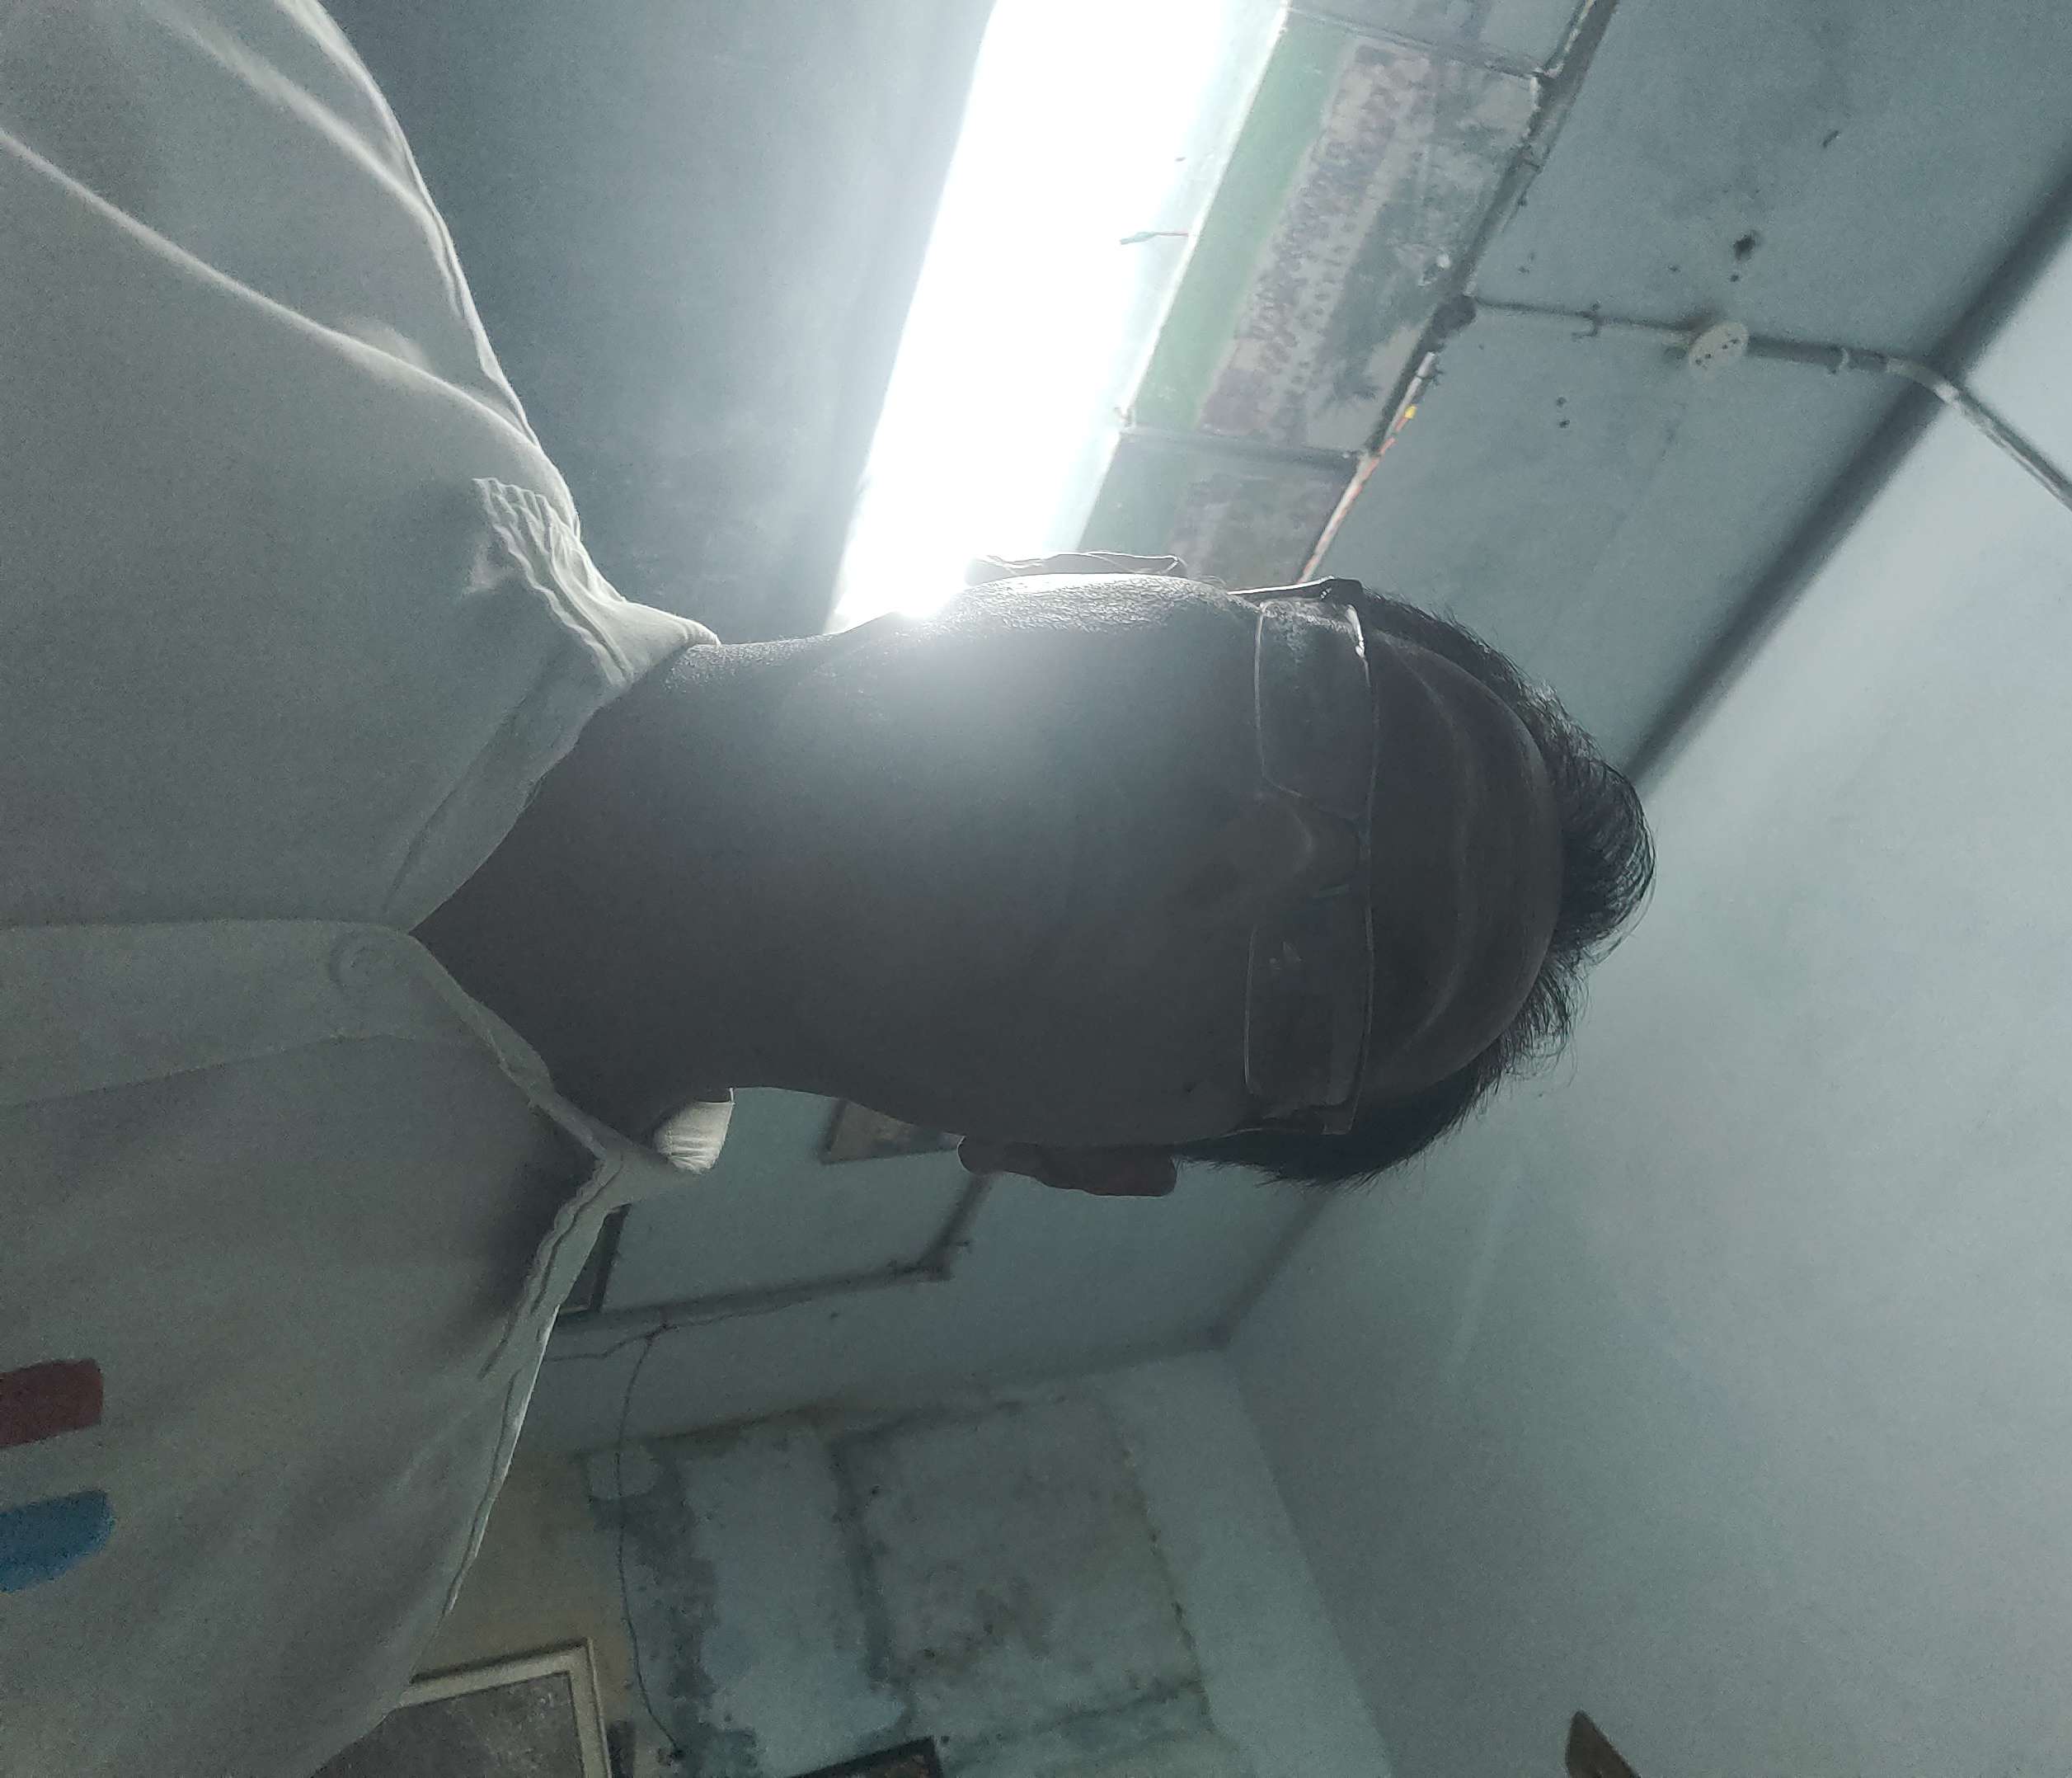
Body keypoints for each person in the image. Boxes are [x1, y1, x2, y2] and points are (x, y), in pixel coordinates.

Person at [0, 2, 1651, 1774]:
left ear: (1085, 1159)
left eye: (1326, 985)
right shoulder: (213, 171)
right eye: (1314, 704)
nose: (1254, 849)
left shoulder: (274, 1582)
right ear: (1072, 565)